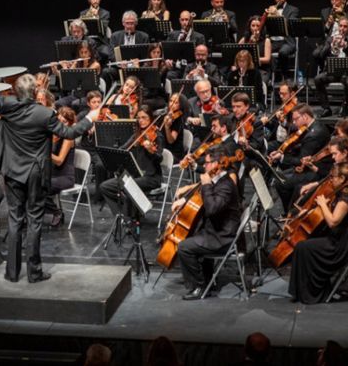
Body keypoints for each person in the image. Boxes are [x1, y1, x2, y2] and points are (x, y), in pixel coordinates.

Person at [0, 37, 97, 283]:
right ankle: (34, 272)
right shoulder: (45, 113)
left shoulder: (6, 105)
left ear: (16, 92)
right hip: (35, 174)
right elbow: (69, 133)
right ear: (35, 91)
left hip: (13, 172)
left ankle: (12, 272)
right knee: (34, 221)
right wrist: (90, 117)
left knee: (15, 221)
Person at [288, 162, 348, 304]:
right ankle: (307, 290)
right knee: (305, 244)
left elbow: (333, 221)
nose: (331, 180)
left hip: (343, 244)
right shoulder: (342, 192)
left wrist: (322, 205)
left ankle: (313, 293)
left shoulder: (347, 198)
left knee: (303, 247)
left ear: (342, 179)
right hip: (340, 236)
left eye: (333, 177)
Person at [173, 145, 241, 300]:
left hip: (222, 236)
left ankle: (198, 287)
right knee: (191, 237)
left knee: (183, 247)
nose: (204, 165)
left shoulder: (226, 185)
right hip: (215, 230)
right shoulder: (217, 179)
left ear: (217, 164)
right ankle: (208, 280)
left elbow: (211, 209)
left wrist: (206, 185)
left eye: (208, 162)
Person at [99, 105, 164, 219]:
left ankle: (131, 215)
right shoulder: (137, 135)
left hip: (151, 177)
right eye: (139, 118)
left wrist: (151, 150)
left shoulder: (157, 135)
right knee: (104, 186)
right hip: (135, 174)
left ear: (151, 118)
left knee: (129, 186)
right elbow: (123, 149)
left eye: (144, 117)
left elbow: (159, 158)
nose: (141, 121)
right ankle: (123, 215)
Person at [268, 104, 332, 211]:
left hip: (315, 172)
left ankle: (290, 212)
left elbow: (300, 161)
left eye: (296, 119)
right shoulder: (313, 125)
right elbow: (296, 133)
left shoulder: (313, 135)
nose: (294, 122)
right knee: (279, 176)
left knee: (280, 182)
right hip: (310, 166)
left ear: (305, 117)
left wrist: (282, 157)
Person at [312, 16, 348, 114]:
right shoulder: (330, 39)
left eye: (345, 26)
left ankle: (345, 106)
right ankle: (326, 108)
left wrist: (346, 47)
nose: (342, 29)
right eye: (340, 26)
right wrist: (330, 46)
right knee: (317, 79)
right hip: (333, 72)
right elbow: (321, 56)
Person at [46, 107, 77, 227]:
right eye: (58, 120)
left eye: (64, 122)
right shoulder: (51, 135)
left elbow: (59, 161)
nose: (60, 124)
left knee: (40, 186)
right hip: (51, 174)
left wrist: (44, 150)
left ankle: (56, 211)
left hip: (65, 176)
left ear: (69, 124)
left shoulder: (68, 138)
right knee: (29, 183)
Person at [266, 0, 299, 75]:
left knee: (283, 52)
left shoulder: (293, 10)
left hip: (287, 41)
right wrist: (266, 16)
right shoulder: (271, 9)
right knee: (260, 50)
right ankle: (268, 76)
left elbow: (291, 25)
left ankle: (284, 76)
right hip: (273, 41)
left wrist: (277, 15)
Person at [162, 92, 189, 160]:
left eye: (176, 103)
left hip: (173, 154)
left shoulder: (178, 120)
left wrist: (167, 127)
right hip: (164, 148)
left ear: (181, 105)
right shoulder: (166, 115)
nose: (171, 104)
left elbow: (171, 140)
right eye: (171, 101)